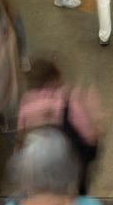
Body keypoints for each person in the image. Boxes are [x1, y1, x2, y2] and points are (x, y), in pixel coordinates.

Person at [17, 58, 103, 195]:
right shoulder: (67, 103)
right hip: (68, 164)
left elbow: (21, 132)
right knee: (76, 187)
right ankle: (80, 198)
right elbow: (90, 137)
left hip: (38, 166)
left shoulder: (26, 102)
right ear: (53, 80)